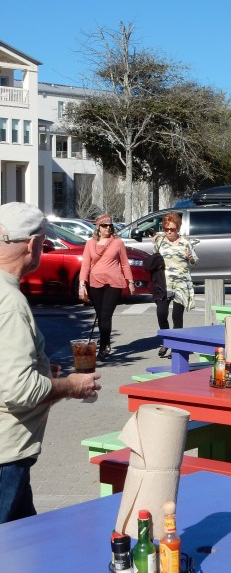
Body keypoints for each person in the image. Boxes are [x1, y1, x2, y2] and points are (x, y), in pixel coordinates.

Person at [0, 202, 100, 523]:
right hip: (6, 457)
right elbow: (19, 390)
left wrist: (41, 369)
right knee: (18, 553)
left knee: (28, 545)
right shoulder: (10, 303)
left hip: (10, 458)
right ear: (31, 244)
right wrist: (71, 385)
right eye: (43, 242)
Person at [79, 214, 135, 360]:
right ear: (98, 227)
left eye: (110, 225)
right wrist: (82, 284)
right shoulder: (90, 243)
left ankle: (103, 347)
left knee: (105, 315)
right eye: (104, 226)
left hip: (114, 283)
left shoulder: (118, 243)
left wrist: (130, 281)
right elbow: (85, 265)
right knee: (101, 315)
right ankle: (107, 342)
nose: (108, 228)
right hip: (95, 283)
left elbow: (124, 263)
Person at [152, 212, 198, 358]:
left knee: (177, 316)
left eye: (172, 229)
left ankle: (176, 346)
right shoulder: (160, 242)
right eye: (166, 229)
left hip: (181, 284)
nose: (169, 232)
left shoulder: (185, 242)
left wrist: (190, 258)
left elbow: (195, 261)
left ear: (177, 228)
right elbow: (155, 258)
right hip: (164, 283)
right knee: (161, 313)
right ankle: (167, 341)